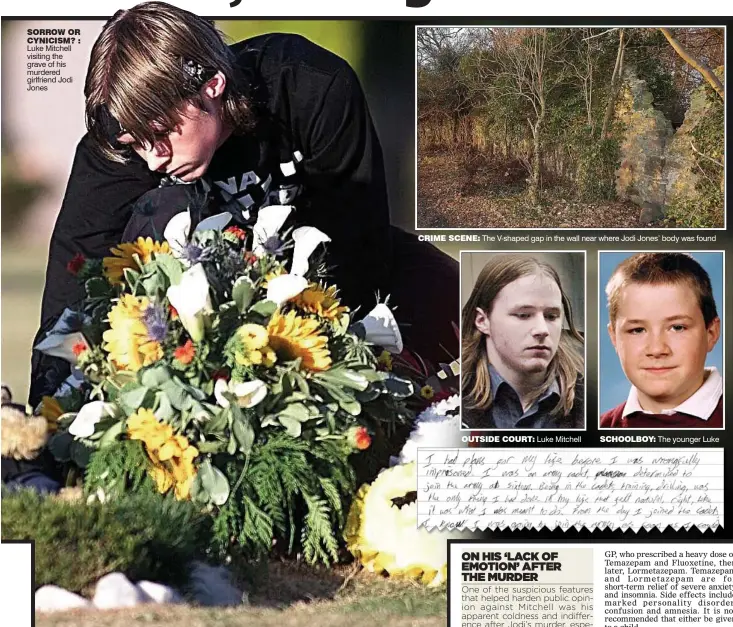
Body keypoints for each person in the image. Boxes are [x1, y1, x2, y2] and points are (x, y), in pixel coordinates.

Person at [28, 2, 458, 407]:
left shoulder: (309, 87)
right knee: (157, 214)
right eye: (134, 143)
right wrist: (48, 414)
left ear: (212, 84)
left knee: (465, 299)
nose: (152, 157)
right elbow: (73, 280)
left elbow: (357, 244)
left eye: (160, 133)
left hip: (317, 283)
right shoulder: (119, 148)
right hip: (187, 315)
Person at [461, 254, 584, 429]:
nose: (542, 329)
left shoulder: (590, 403)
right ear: (482, 321)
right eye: (523, 315)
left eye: (551, 316)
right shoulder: (448, 401)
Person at [600, 252, 722, 429]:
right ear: (614, 338)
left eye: (677, 327)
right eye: (637, 330)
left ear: (711, 333)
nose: (657, 349)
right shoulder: (599, 428)